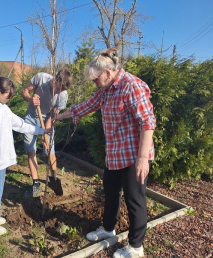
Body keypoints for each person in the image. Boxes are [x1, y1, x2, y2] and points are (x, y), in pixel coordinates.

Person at [54, 48, 156, 258]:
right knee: (110, 193)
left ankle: (136, 247)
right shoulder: (106, 90)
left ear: (108, 73)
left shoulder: (131, 86)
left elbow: (148, 123)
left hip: (133, 155)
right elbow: (86, 106)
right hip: (115, 153)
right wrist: (58, 117)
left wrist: (143, 159)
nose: (94, 83)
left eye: (95, 79)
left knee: (134, 200)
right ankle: (108, 229)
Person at [0, 77, 52, 235]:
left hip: (1, 158)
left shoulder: (2, 108)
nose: (10, 98)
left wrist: (40, 131)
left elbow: (20, 124)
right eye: (8, 95)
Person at [21, 69, 72, 197]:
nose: (59, 92)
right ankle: (36, 184)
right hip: (31, 117)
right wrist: (30, 99)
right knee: (31, 150)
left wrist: (45, 132)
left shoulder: (63, 95)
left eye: (62, 90)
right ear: (55, 80)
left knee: (50, 150)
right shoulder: (40, 78)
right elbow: (24, 91)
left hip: (47, 119)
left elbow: (53, 115)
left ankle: (54, 177)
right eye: (58, 88)